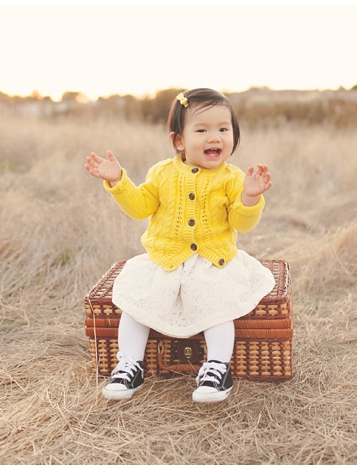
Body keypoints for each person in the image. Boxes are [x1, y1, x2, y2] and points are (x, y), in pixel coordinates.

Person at [85, 88, 274, 403]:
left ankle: (217, 368)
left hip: (214, 261)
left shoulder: (233, 178)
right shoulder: (161, 173)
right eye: (202, 130)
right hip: (164, 259)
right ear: (179, 141)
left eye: (223, 129)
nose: (214, 137)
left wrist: (250, 197)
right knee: (136, 301)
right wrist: (119, 182)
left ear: (233, 136)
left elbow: (242, 222)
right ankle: (130, 363)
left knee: (219, 302)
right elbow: (140, 207)